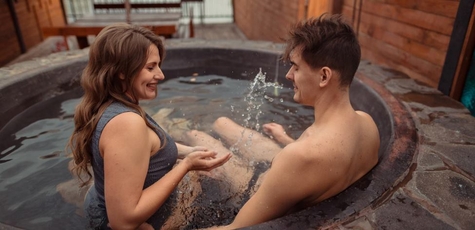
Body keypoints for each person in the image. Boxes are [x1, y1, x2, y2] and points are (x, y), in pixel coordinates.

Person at [180, 14, 380, 228]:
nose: (288, 75)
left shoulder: (299, 155)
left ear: (324, 76)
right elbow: (321, 163)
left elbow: (234, 228)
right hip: (290, 174)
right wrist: (285, 139)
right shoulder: (367, 125)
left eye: (296, 67)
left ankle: (175, 127)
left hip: (257, 185)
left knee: (195, 136)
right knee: (221, 123)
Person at [66, 23, 231, 229]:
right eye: (150, 67)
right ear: (122, 71)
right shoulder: (127, 123)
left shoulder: (111, 105)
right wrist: (186, 166)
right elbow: (123, 221)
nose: (161, 75)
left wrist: (189, 151)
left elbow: (142, 149)